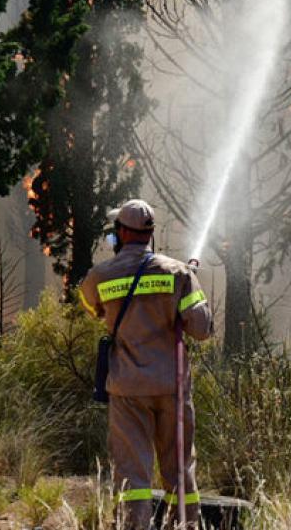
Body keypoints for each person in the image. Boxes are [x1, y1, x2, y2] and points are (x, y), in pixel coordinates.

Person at [79, 199, 213, 529]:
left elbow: (91, 308)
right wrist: (185, 290)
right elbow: (202, 329)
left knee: (132, 474)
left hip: (128, 390)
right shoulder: (178, 273)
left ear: (122, 233)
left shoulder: (101, 276)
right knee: (179, 470)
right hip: (172, 388)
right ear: (150, 234)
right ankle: (184, 526)